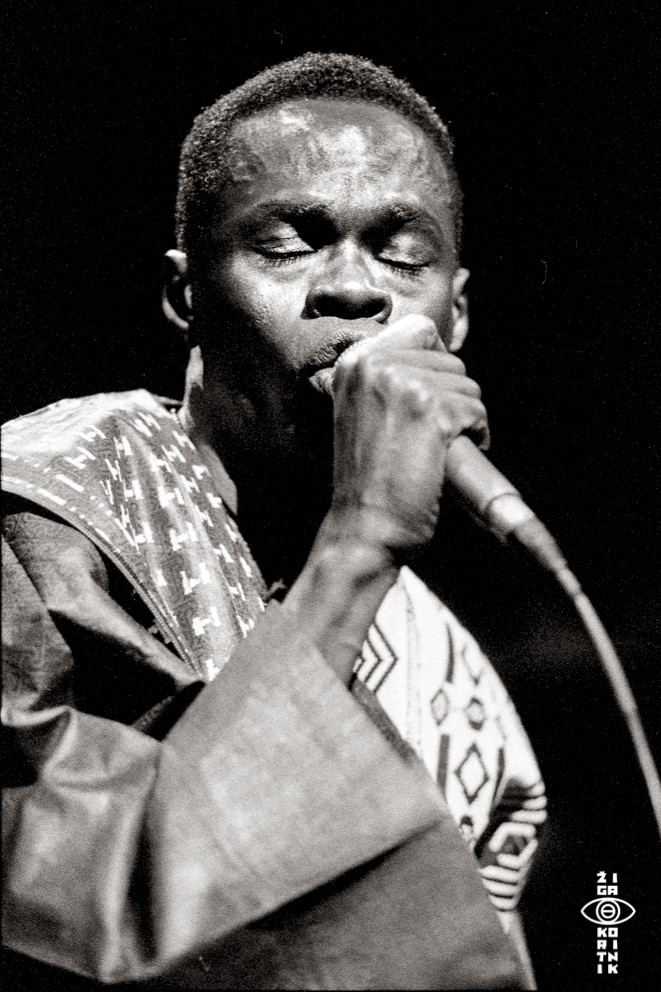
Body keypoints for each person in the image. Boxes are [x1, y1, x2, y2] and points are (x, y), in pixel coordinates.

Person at [2, 54, 545, 989]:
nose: (353, 289)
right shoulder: (43, 517)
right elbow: (80, 922)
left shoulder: (462, 685)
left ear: (452, 320)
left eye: (402, 254)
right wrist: (362, 540)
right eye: (290, 244)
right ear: (187, 297)